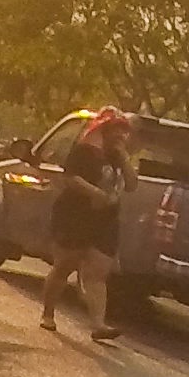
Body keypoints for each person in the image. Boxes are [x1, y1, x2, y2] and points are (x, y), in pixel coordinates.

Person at [42, 110, 133, 343]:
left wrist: (124, 158)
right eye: (116, 130)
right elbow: (70, 178)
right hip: (75, 216)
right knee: (64, 266)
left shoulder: (118, 157)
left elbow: (132, 185)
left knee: (98, 273)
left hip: (105, 221)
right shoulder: (83, 151)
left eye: (124, 131)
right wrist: (94, 192)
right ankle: (48, 314)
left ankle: (98, 325)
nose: (120, 135)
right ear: (104, 129)